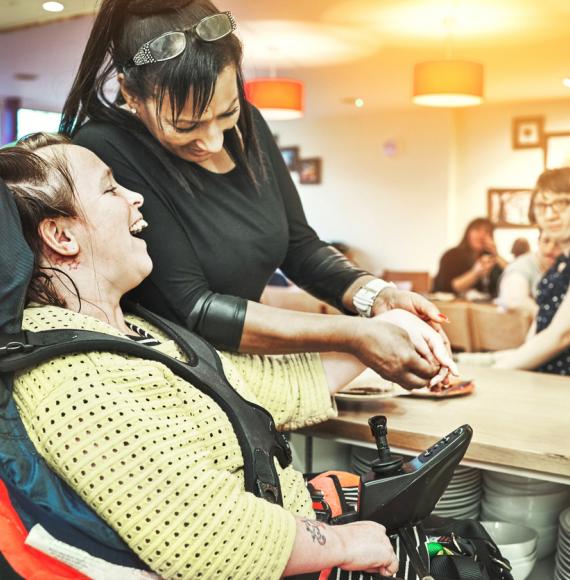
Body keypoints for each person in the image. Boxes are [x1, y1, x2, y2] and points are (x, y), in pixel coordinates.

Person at [0, 134, 408, 579]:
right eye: (111, 188)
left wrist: (383, 338)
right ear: (62, 235)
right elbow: (214, 544)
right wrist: (348, 542)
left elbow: (261, 386)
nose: (136, 198)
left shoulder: (136, 331)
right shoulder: (77, 382)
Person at [59, 0, 455, 388]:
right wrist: (354, 334)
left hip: (246, 372)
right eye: (186, 125)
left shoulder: (249, 126)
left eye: (226, 113)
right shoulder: (107, 148)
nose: (212, 141)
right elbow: (192, 307)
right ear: (131, 94)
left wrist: (377, 296)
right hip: (172, 379)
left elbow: (299, 245)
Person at [458, 168, 570, 375]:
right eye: (542, 205)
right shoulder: (560, 263)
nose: (550, 214)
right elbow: (539, 336)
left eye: (562, 203)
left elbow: (562, 335)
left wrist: (497, 373)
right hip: (546, 377)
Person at [433, 217, 508, 298]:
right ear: (467, 233)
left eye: (487, 232)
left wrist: (496, 255)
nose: (482, 235)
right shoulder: (451, 255)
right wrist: (476, 273)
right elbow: (448, 287)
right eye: (477, 230)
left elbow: (512, 272)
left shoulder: (490, 258)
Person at [497, 230, 561, 316]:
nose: (551, 247)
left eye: (559, 243)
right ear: (538, 242)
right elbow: (516, 300)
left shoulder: (560, 268)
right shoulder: (521, 267)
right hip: (517, 327)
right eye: (546, 241)